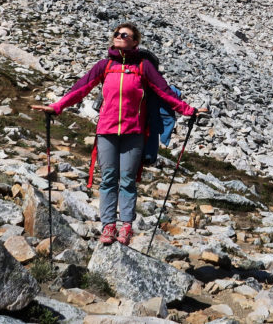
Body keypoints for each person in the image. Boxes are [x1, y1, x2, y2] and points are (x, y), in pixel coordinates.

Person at [32, 22, 205, 245]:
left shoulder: (143, 67)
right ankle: (108, 227)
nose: (120, 36)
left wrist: (188, 110)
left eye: (126, 35)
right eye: (117, 34)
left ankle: (125, 227)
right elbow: (81, 88)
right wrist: (57, 106)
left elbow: (165, 92)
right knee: (108, 179)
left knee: (127, 180)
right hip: (107, 131)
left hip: (134, 132)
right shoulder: (105, 66)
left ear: (135, 42)